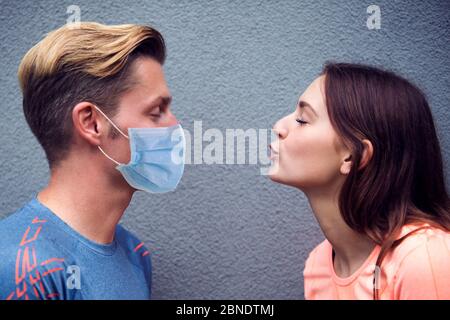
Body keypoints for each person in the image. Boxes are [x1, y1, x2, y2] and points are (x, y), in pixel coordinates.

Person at [0, 22, 185, 300]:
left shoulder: (136, 254)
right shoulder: (20, 268)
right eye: (157, 111)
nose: (175, 124)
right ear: (92, 123)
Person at [269, 62, 450, 299]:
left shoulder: (425, 257)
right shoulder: (318, 266)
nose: (278, 127)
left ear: (353, 156)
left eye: (302, 120)